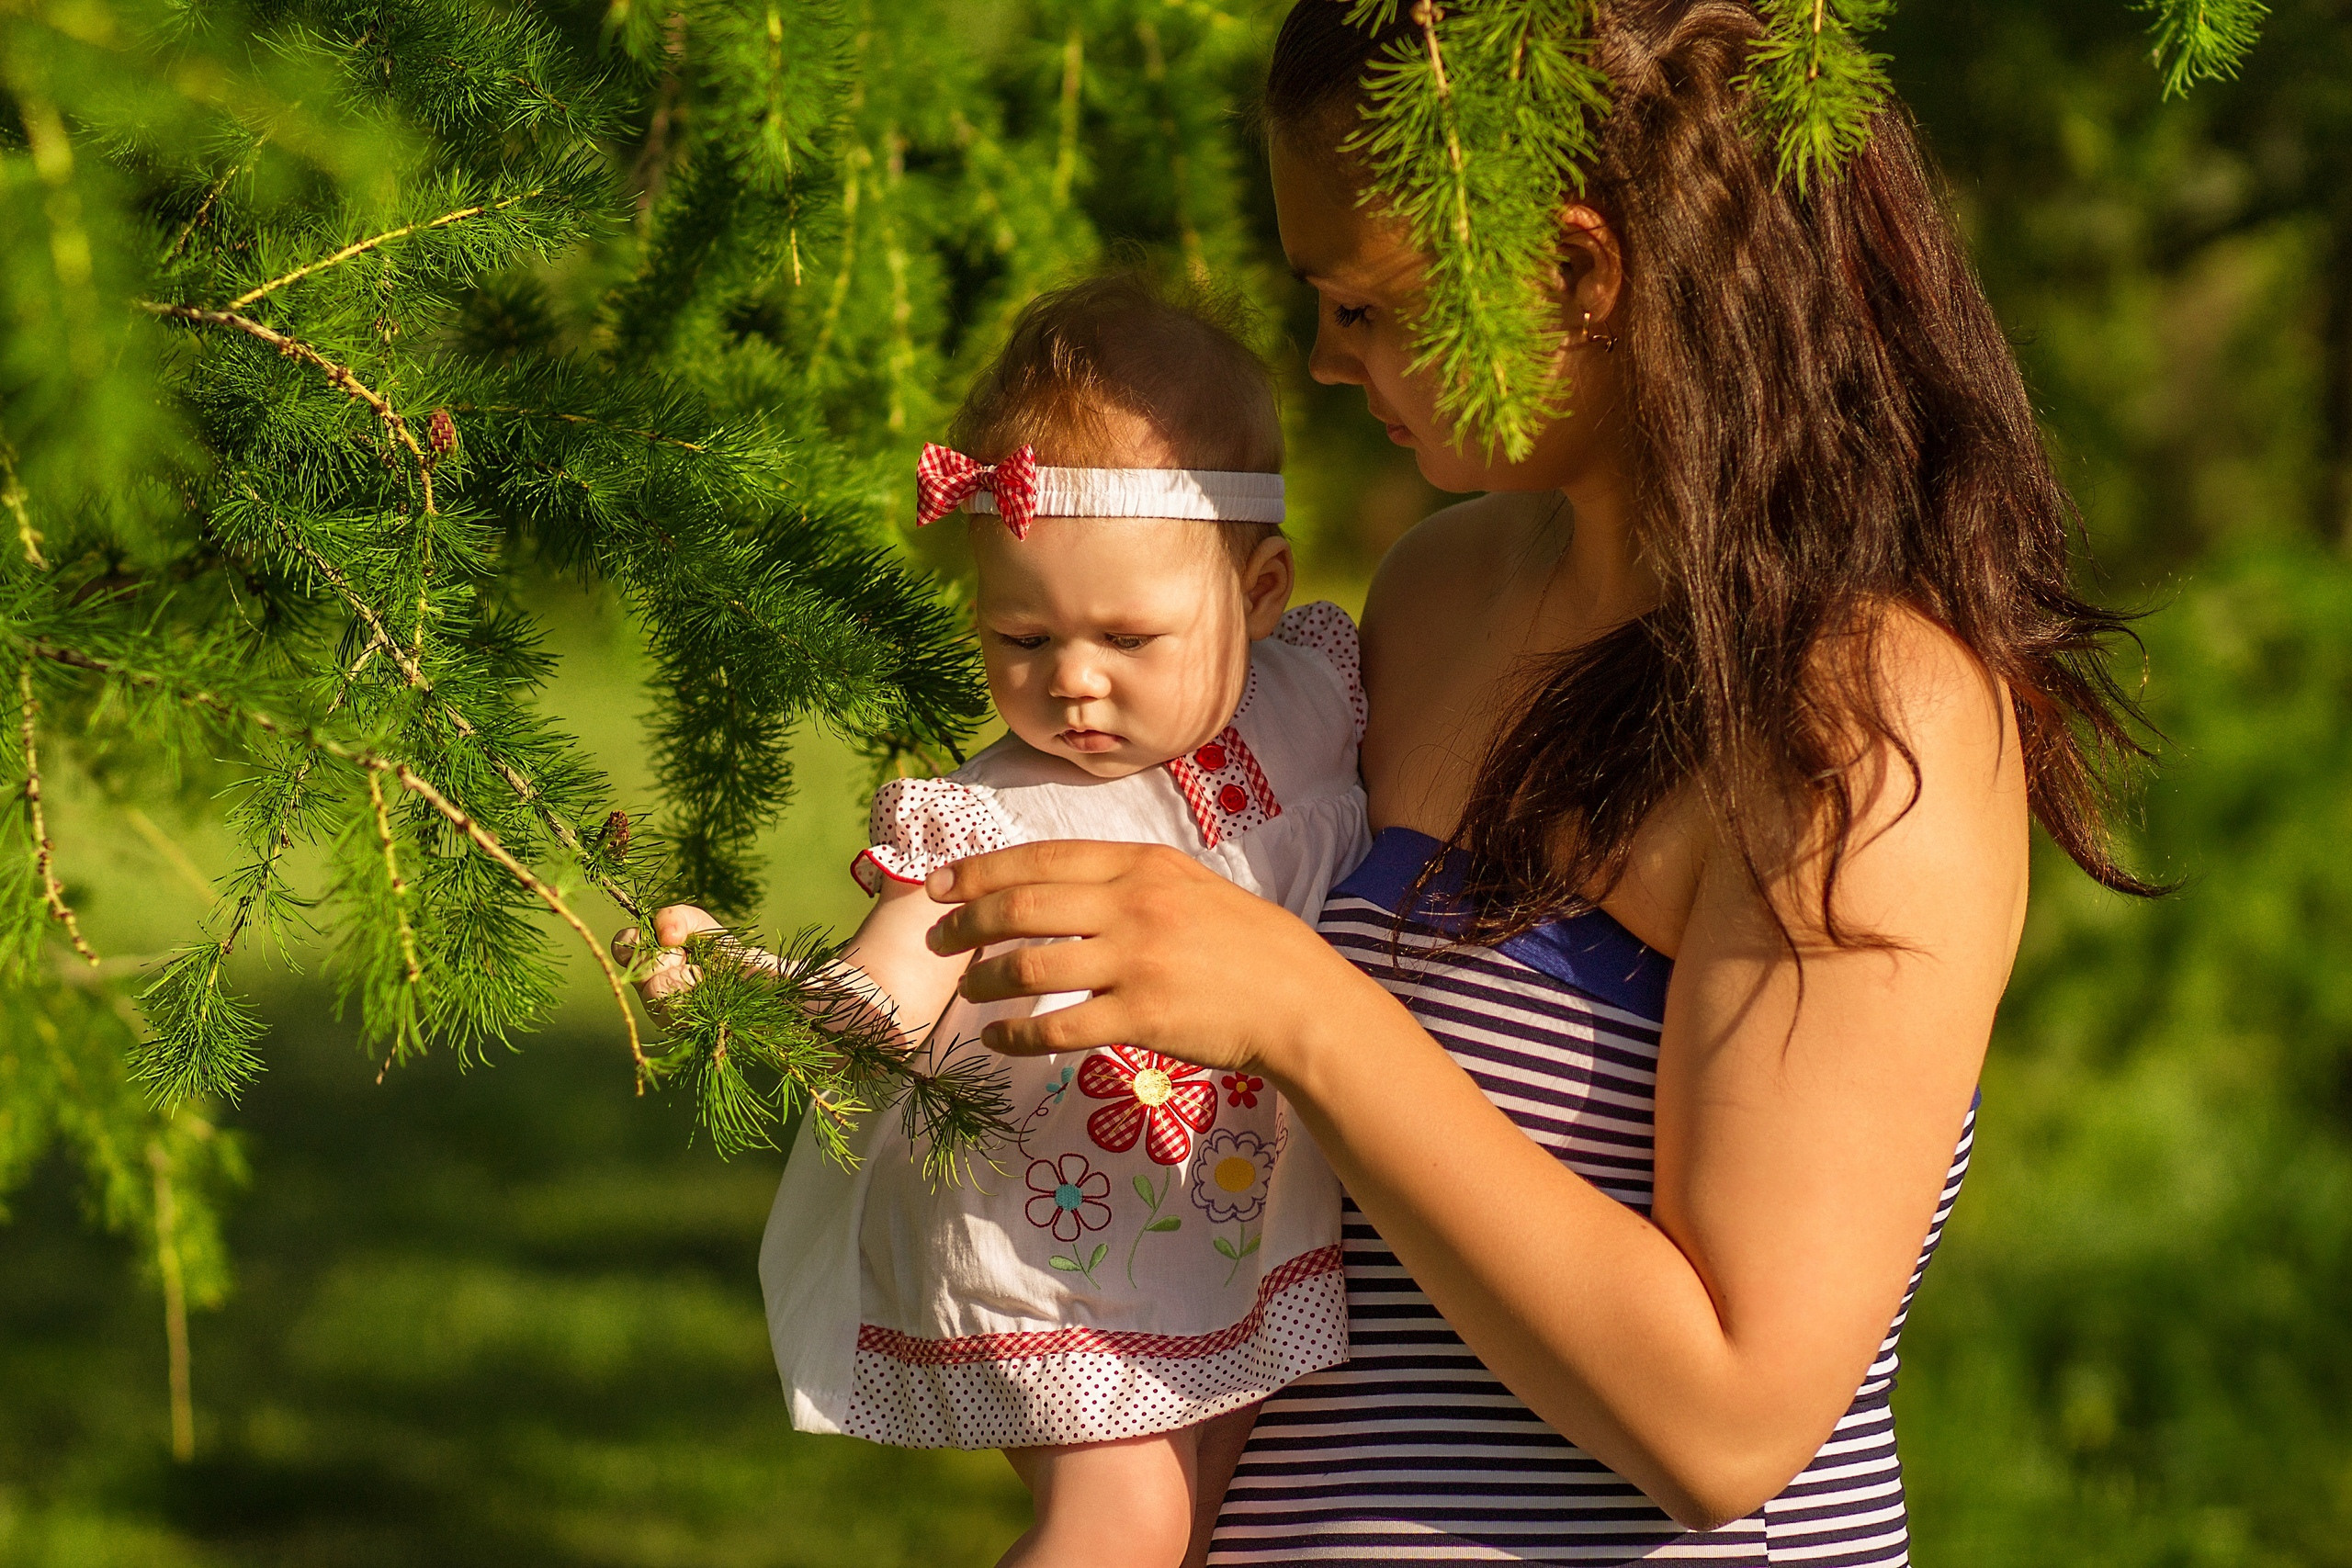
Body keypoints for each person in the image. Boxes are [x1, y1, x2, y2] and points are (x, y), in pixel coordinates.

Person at [917, 4, 2158, 1564]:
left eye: (1363, 304)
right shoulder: (1439, 596)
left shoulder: (1858, 720)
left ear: (1577, 271)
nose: (1322, 356)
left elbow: (1724, 1423)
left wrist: (1300, 1007)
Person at [616, 274, 1372, 1568]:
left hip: (1228, 1213)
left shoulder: (1314, 697)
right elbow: (884, 987)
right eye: (1019, 636)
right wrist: (756, 990)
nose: (1072, 680)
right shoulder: (993, 814)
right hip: (1054, 1230)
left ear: (1261, 590)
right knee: (1121, 1523)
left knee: (1221, 1519)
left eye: (1130, 636)